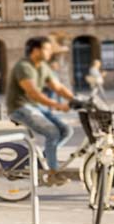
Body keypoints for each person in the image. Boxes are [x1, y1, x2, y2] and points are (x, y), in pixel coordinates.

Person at [5, 36, 78, 186]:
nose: (50, 52)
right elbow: (33, 93)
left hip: (34, 106)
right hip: (20, 107)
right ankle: (53, 173)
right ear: (36, 50)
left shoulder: (43, 67)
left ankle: (47, 157)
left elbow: (57, 87)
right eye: (47, 48)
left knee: (66, 130)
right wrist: (58, 106)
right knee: (52, 133)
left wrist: (74, 99)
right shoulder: (24, 66)